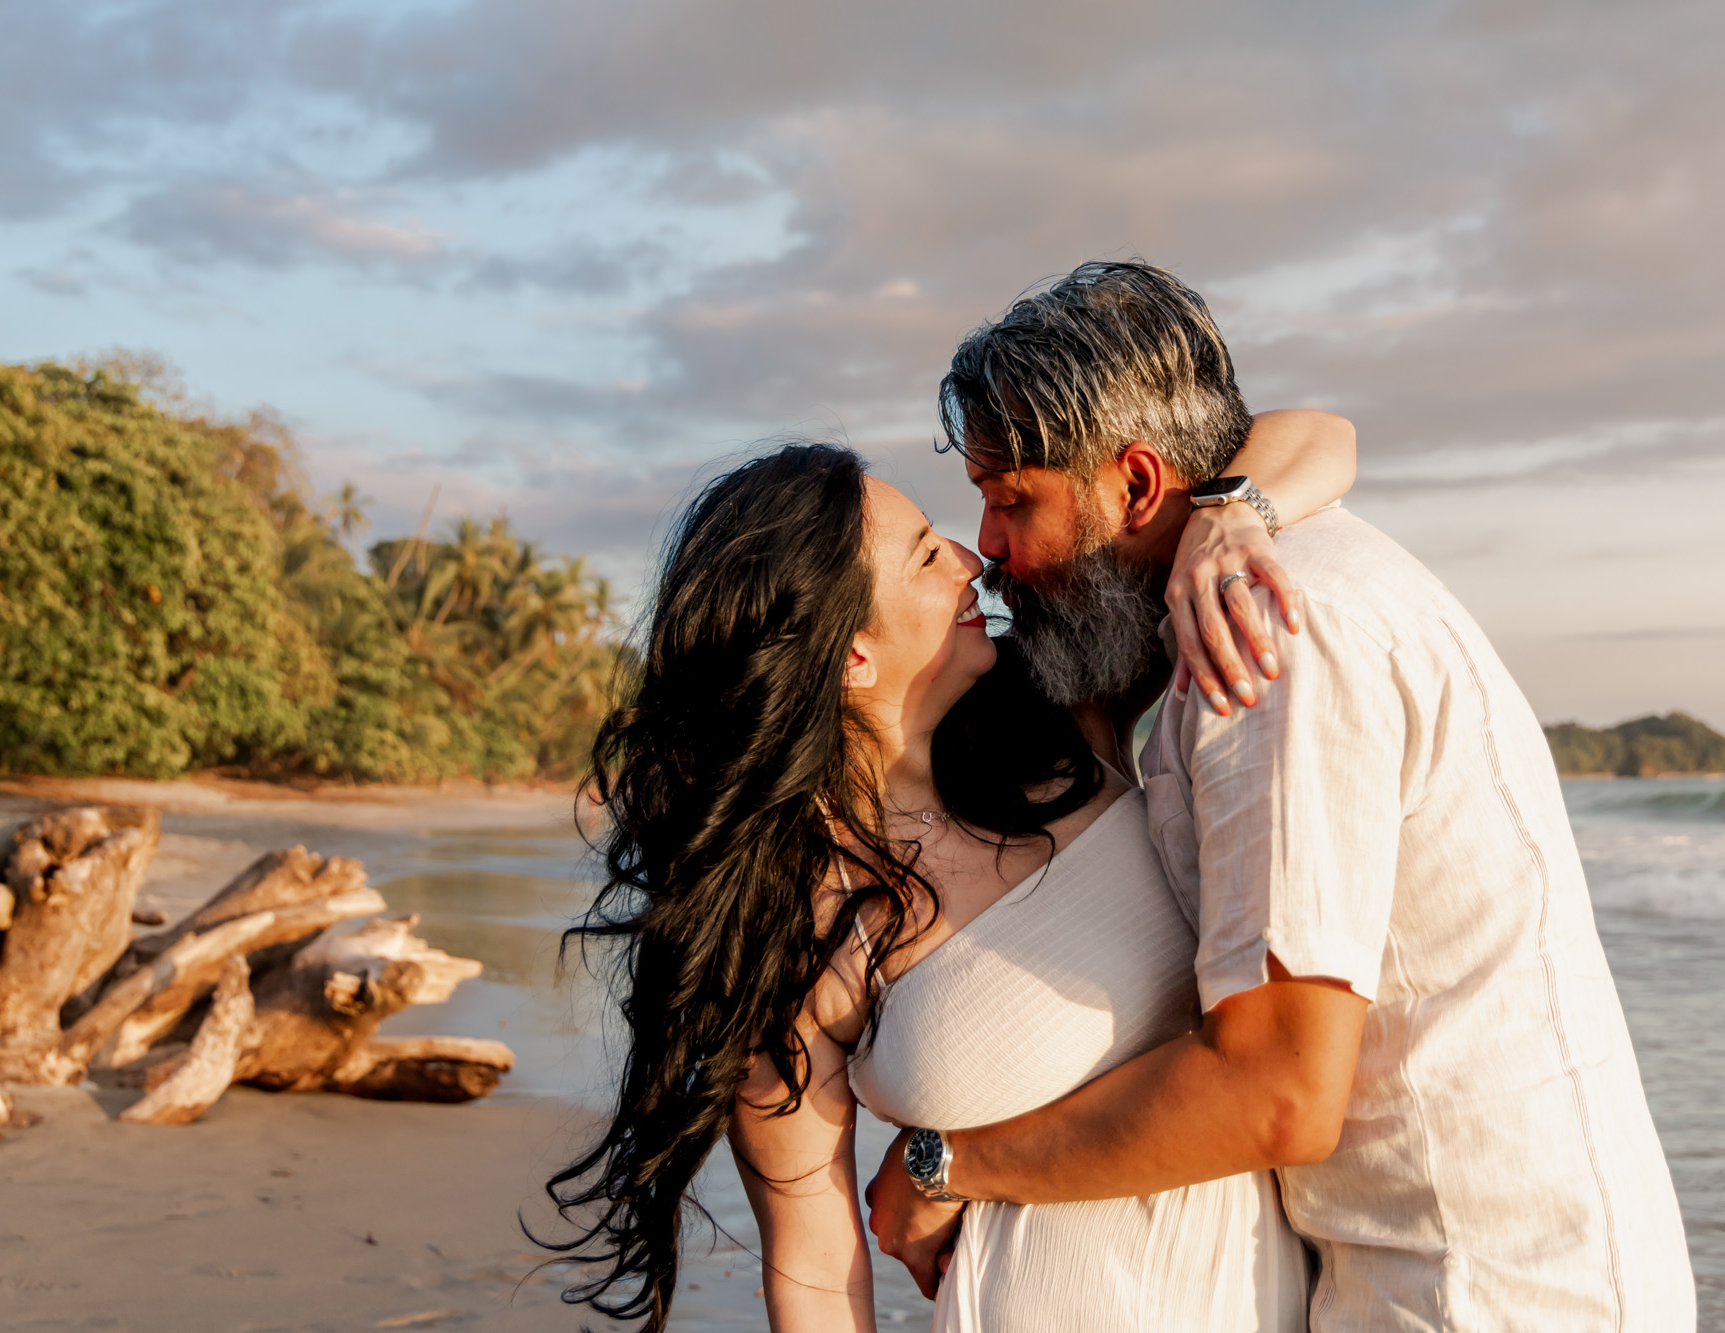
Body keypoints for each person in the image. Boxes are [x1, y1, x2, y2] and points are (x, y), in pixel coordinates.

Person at [864, 260, 1697, 1331]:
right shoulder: (1269, 575)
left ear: (1136, 482)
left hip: (1472, 1292)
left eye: (1010, 501)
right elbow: (1313, 433)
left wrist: (947, 1161)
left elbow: (1276, 1092)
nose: (986, 549)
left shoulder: (1260, 645)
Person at [542, 404, 1358, 1330]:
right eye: (928, 555)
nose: (973, 560)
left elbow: (1322, 432)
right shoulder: (792, 931)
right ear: (851, 654)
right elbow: (813, 1257)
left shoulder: (1066, 715)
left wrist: (1228, 514)